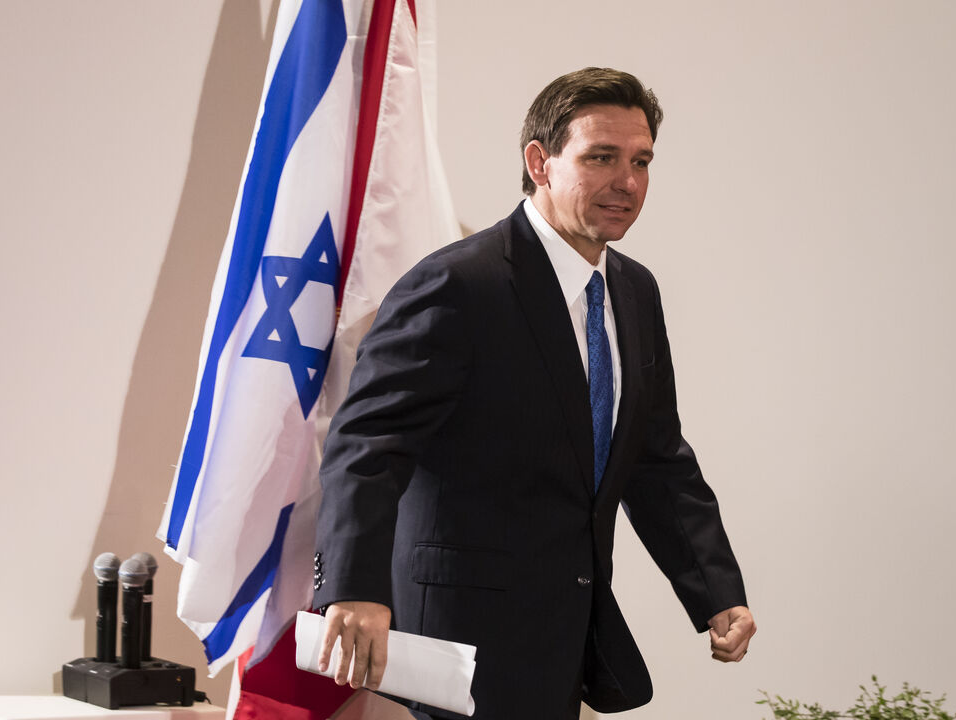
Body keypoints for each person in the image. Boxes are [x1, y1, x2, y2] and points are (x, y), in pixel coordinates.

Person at [313, 67, 755, 720]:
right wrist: (353, 589)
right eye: (601, 157)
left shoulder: (634, 292)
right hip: (457, 643)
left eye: (640, 161)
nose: (627, 182)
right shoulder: (458, 286)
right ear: (539, 163)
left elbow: (657, 456)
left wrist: (715, 588)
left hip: (565, 636)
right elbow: (366, 446)